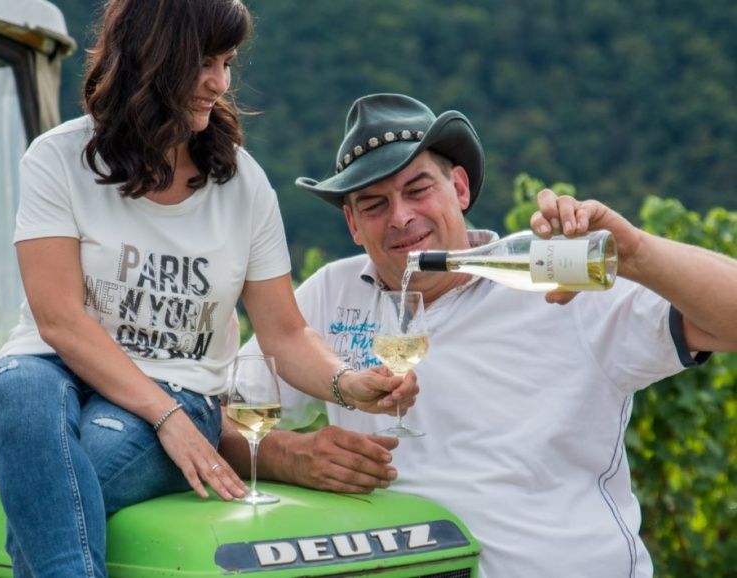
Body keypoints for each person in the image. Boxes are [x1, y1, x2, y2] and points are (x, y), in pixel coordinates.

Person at [0, 5, 415, 577]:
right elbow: (59, 321)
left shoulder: (244, 186)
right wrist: (168, 419)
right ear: (151, 55)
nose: (220, 83)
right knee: (18, 385)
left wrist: (347, 383)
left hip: (177, 390)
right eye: (204, 62)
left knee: (57, 482)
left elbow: (284, 333)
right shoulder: (58, 158)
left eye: (226, 63)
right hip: (52, 384)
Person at [219, 93, 737, 578]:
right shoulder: (332, 293)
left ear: (460, 189)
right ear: (353, 225)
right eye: (373, 205)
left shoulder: (557, 279)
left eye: (418, 189)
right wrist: (291, 456)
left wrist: (638, 253)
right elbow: (218, 421)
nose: (400, 217)